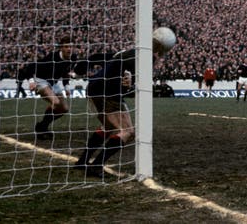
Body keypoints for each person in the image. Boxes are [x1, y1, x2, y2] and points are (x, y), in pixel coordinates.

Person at [74, 27, 177, 177]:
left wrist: (83, 65)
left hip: (95, 87)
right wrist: (129, 81)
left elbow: (102, 57)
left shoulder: (132, 51)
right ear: (163, 48)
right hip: (107, 92)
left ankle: (83, 161)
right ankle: (96, 165)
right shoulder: (148, 57)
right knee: (128, 132)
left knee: (108, 127)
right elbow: (131, 80)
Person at [30, 36, 78, 140]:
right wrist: (31, 81)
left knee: (64, 109)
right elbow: (32, 66)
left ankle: (42, 126)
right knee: (55, 102)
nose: (69, 49)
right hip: (41, 79)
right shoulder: (52, 57)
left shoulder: (73, 57)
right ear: (61, 48)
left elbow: (66, 72)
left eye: (70, 46)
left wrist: (66, 86)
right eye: (66, 46)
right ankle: (42, 128)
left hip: (52, 82)